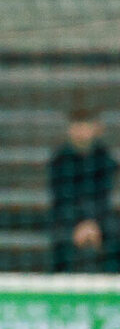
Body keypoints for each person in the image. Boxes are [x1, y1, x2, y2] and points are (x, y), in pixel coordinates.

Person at [49, 105, 118, 273]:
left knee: (114, 234)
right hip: (68, 218)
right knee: (61, 238)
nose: (81, 131)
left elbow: (104, 197)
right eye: (77, 126)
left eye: (85, 126)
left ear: (96, 129)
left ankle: (112, 281)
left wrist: (92, 222)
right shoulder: (60, 160)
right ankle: (60, 282)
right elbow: (62, 198)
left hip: (100, 217)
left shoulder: (105, 158)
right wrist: (78, 222)